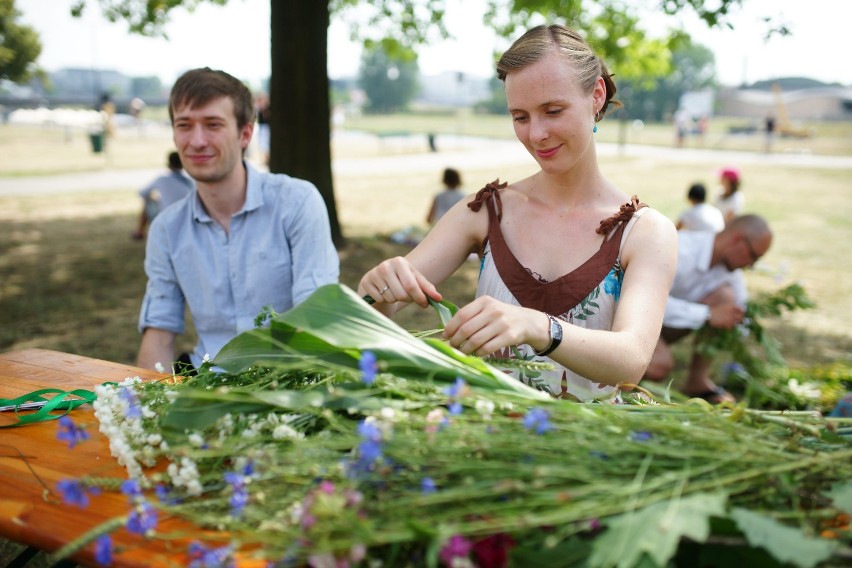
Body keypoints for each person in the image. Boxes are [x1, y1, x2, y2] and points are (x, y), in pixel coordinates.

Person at [358, 24, 677, 402]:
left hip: (592, 453)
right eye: (520, 117)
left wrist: (539, 326)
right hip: (484, 446)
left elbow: (631, 358)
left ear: (596, 95)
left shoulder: (643, 232)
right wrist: (375, 291)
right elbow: (376, 314)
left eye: (553, 110)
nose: (536, 134)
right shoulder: (484, 211)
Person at [136, 68, 339, 374]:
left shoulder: (297, 203)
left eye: (213, 125)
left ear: (245, 133)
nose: (197, 141)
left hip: (291, 384)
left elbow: (317, 318)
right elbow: (160, 333)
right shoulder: (166, 229)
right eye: (184, 125)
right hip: (207, 388)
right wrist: (143, 407)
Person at [643, 214, 773, 403]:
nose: (751, 265)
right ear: (737, 240)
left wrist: (740, 327)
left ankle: (696, 381)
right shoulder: (681, 250)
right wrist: (708, 315)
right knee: (658, 366)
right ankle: (607, 381)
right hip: (626, 317)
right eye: (753, 256)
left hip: (660, 325)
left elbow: (741, 310)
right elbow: (648, 300)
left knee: (726, 299)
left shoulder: (728, 269)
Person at [131, 151, 194, 240]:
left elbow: (142, 193)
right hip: (187, 214)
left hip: (166, 213)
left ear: (168, 164)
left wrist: (154, 198)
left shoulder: (162, 179)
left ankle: (140, 231)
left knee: (147, 202)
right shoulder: (190, 180)